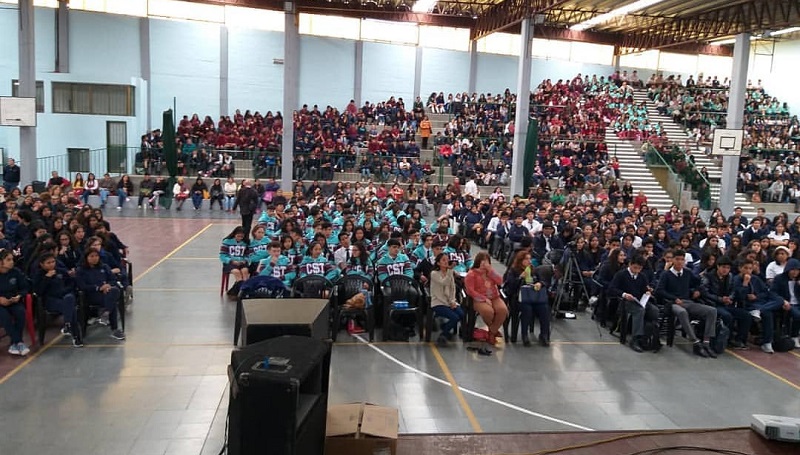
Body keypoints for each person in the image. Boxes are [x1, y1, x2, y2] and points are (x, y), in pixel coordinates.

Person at [655, 249, 718, 358]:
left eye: (682, 259)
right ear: (673, 260)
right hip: (673, 303)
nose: (680, 262)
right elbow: (659, 290)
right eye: (677, 259)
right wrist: (674, 298)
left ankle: (706, 343)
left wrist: (697, 290)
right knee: (682, 312)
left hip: (687, 301)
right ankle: (695, 342)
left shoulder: (687, 272)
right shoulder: (666, 274)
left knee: (712, 311)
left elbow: (699, 282)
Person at [609, 255, 661, 353]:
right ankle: (636, 338)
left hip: (640, 301)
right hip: (626, 301)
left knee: (654, 311)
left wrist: (648, 291)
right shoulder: (621, 274)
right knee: (639, 311)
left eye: (640, 268)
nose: (637, 270)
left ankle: (650, 335)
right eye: (635, 268)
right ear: (630, 264)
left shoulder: (642, 276)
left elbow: (644, 288)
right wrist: (624, 294)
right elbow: (612, 288)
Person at [33, 253, 82, 347]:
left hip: (64, 298)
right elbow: (38, 291)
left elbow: (71, 282)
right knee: (71, 309)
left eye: (53, 261)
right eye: (48, 263)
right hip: (50, 301)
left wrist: (66, 290)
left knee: (70, 299)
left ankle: (68, 324)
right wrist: (47, 278)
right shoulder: (38, 275)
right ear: (42, 264)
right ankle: (76, 336)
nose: (52, 264)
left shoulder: (60, 271)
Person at [702, 255, 751, 350]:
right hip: (713, 304)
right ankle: (726, 339)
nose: (725, 270)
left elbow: (733, 290)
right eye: (723, 267)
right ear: (718, 266)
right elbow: (705, 293)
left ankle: (739, 340)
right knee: (727, 316)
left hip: (726, 303)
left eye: (728, 268)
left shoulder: (730, 276)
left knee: (746, 315)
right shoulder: (708, 276)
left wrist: (729, 298)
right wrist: (720, 299)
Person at [75, 249, 125, 340]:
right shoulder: (80, 270)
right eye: (92, 256)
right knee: (112, 300)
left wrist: (108, 285)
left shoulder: (104, 267)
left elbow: (113, 279)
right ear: (86, 258)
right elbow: (82, 286)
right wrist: (98, 288)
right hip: (91, 296)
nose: (95, 258)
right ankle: (113, 327)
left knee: (113, 292)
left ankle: (106, 313)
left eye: (96, 256)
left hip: (107, 293)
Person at [504, 250, 550, 347]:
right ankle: (524, 335)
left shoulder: (533, 269)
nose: (529, 261)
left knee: (544, 308)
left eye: (530, 259)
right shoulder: (513, 271)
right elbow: (510, 286)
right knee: (527, 309)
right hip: (519, 298)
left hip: (534, 297)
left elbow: (542, 281)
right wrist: (520, 278)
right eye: (526, 259)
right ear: (520, 260)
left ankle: (544, 334)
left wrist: (540, 283)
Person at [464, 252, 507, 345]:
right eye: (482, 261)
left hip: (494, 297)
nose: (484, 264)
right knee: (488, 312)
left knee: (503, 310)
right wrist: (483, 298)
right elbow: (470, 291)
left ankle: (492, 332)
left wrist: (491, 271)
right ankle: (493, 331)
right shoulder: (472, 274)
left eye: (486, 261)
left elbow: (500, 282)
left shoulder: (490, 272)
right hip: (478, 299)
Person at [429, 252, 464, 347]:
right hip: (438, 302)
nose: (446, 262)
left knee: (461, 314)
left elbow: (452, 289)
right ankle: (443, 334)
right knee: (454, 317)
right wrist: (450, 271)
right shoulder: (434, 273)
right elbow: (444, 282)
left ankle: (445, 326)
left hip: (449, 301)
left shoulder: (450, 273)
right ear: (438, 263)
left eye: (447, 260)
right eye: (443, 260)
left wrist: (452, 301)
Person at [0, 249, 31, 356]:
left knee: (20, 312)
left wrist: (19, 296)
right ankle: (19, 341)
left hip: (13, 300)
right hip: (0, 304)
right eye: (8, 260)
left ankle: (14, 343)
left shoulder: (16, 272)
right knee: (4, 316)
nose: (12, 262)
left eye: (12, 259)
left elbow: (25, 287)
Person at [769, 258, 800, 349]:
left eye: (797, 270)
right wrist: (783, 300)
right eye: (793, 270)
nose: (795, 272)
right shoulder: (779, 278)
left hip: (797, 303)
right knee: (797, 315)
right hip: (787, 303)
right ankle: (794, 336)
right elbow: (773, 292)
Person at [219, 226, 250, 295]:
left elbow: (248, 255)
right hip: (230, 263)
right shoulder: (227, 242)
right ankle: (240, 290)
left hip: (242, 262)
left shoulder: (245, 243)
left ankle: (245, 290)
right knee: (236, 272)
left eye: (241, 237)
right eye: (238, 236)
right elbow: (222, 256)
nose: (239, 238)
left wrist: (244, 261)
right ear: (234, 234)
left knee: (245, 271)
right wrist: (231, 261)